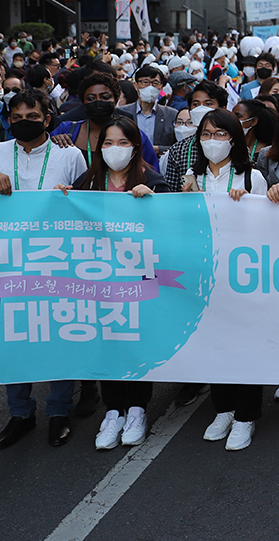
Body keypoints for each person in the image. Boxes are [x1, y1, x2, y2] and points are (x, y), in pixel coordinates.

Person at [0, 90, 88, 449]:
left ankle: (58, 411)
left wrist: (69, 195)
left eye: (33, 116)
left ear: (48, 119)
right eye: (17, 115)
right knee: (15, 335)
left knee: (60, 334)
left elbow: (88, 203)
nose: (24, 121)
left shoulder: (70, 155)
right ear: (8, 118)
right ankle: (19, 413)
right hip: (9, 261)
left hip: (58, 260)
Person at [56, 115, 170, 451]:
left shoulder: (151, 178)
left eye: (122, 143)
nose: (114, 149)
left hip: (137, 281)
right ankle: (113, 411)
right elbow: (67, 220)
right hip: (98, 281)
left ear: (135, 147)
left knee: (135, 341)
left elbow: (172, 223)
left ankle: (137, 409)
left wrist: (154, 200)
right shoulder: (89, 181)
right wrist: (61, 199)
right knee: (106, 340)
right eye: (107, 143)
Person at [186, 107, 271, 450]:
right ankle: (223, 408)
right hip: (205, 278)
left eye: (220, 134)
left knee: (245, 345)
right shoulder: (192, 178)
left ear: (234, 139)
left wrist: (248, 207)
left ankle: (246, 416)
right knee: (214, 344)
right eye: (206, 134)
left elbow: (267, 230)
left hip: (242, 278)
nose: (212, 141)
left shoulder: (250, 178)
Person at [120, 64, 179, 155]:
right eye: (145, 82)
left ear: (161, 87)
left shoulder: (172, 114)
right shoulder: (122, 113)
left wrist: (158, 149)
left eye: (155, 83)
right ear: (136, 86)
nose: (150, 87)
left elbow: (178, 145)